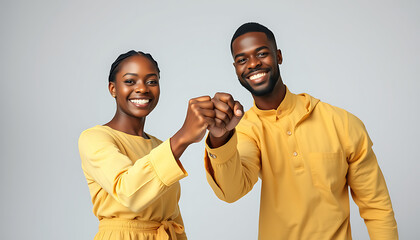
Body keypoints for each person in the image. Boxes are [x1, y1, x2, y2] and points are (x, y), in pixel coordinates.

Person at [204, 23, 398, 239]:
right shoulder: (246, 129)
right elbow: (232, 192)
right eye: (242, 59)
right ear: (236, 69)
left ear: (278, 56)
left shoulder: (342, 123)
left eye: (261, 53)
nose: (253, 64)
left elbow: (377, 208)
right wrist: (219, 138)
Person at [78, 50, 216, 240]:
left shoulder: (161, 147)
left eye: (151, 81)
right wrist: (183, 137)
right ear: (113, 89)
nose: (142, 88)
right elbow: (129, 193)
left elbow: (173, 217)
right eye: (130, 81)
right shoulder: (95, 138)